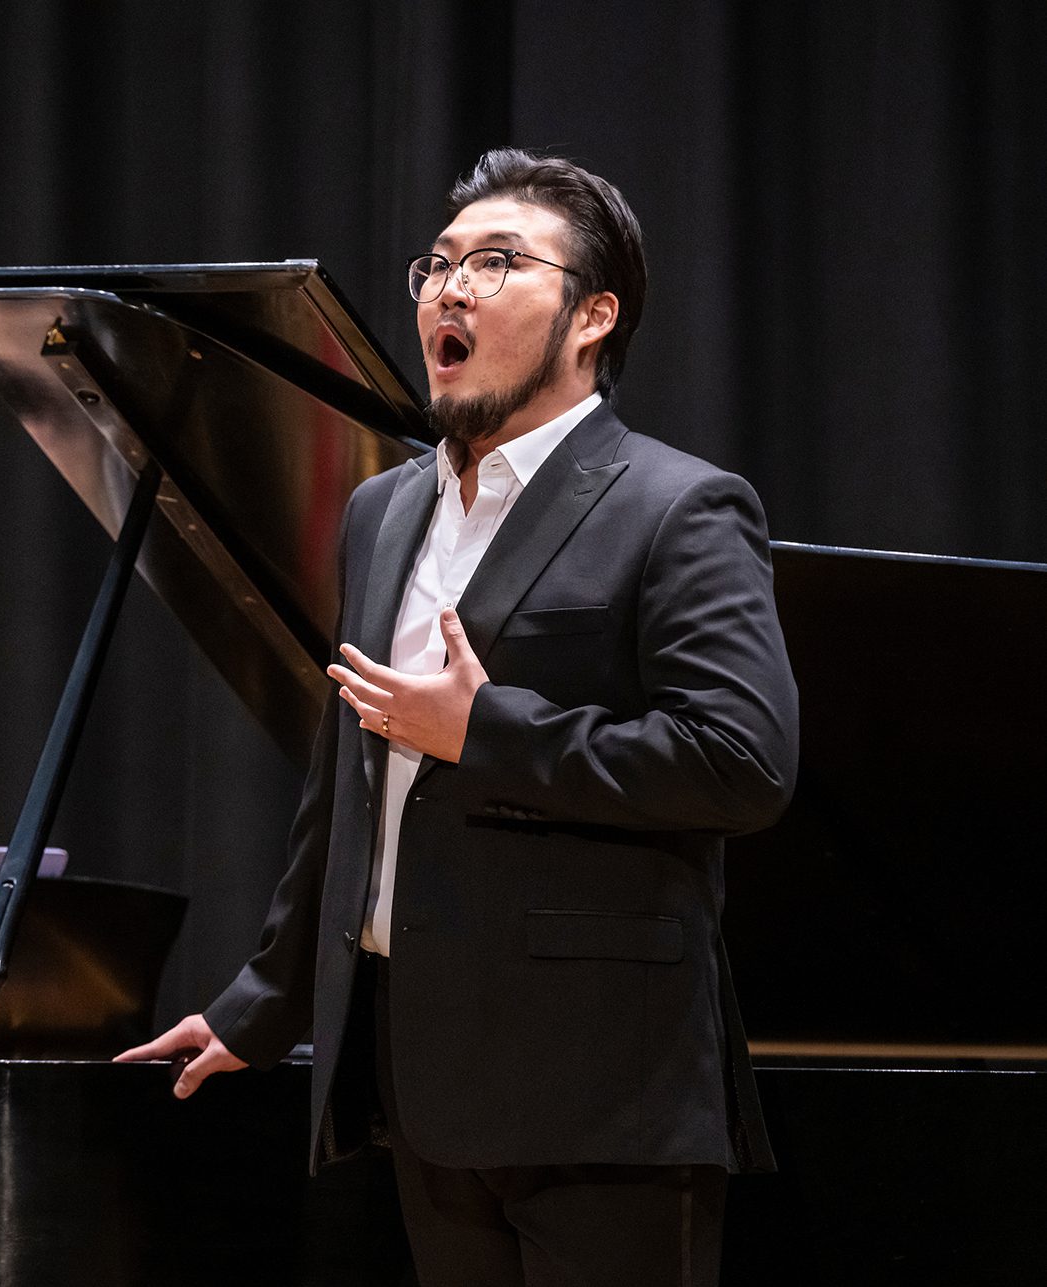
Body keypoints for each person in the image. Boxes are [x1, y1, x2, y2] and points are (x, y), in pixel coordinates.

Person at [119, 149, 799, 1286]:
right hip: (421, 1078)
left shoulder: (679, 506)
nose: (451, 290)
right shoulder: (383, 510)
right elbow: (349, 772)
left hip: (605, 1088)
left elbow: (742, 764)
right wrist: (265, 1000)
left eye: (496, 262)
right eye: (436, 266)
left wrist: (489, 733)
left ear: (593, 316)